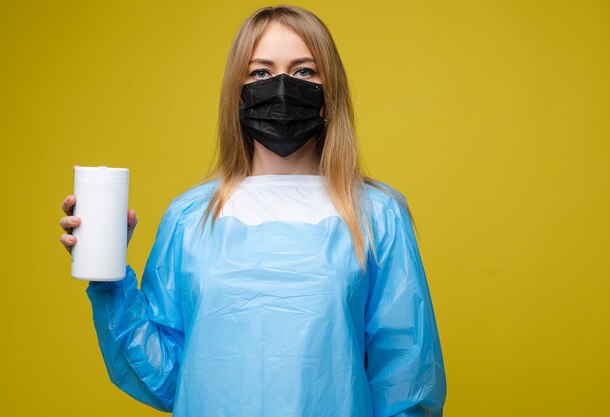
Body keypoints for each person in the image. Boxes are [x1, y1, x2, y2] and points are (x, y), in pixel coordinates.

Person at [59, 5, 446, 417]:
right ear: (236, 92)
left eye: (304, 72)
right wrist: (108, 277)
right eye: (261, 73)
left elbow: (405, 379)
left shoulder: (377, 216)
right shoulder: (191, 218)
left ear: (329, 91)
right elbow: (169, 378)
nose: (282, 87)